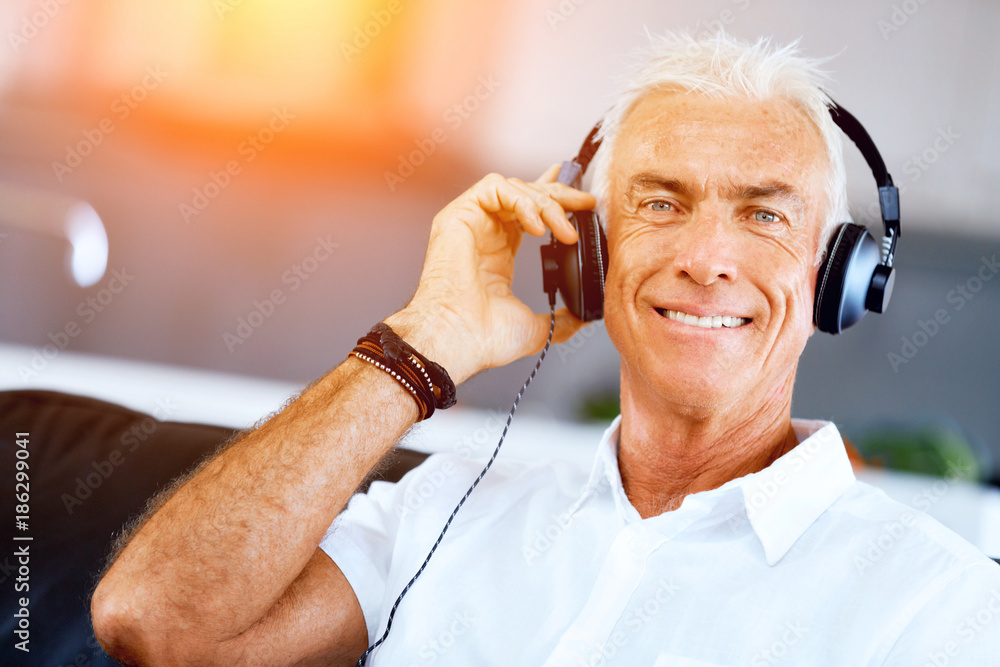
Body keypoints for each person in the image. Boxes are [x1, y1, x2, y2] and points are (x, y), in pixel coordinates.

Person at [91, 32, 1000, 665]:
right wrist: (421, 345)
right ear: (585, 253)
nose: (705, 258)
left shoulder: (939, 607)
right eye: (659, 202)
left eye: (764, 214)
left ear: (838, 277)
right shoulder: (445, 509)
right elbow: (160, 624)